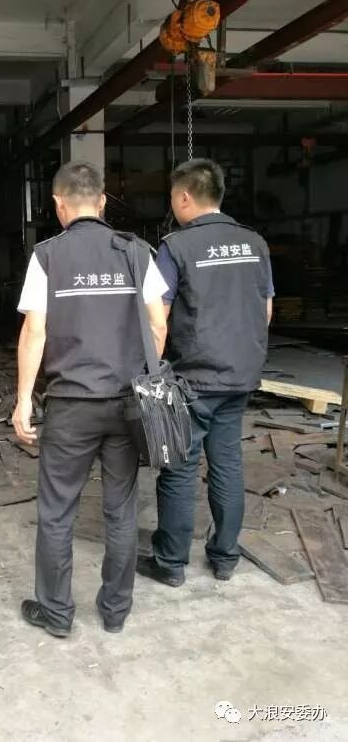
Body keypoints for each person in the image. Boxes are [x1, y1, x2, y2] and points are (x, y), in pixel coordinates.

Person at [12, 160, 168, 638]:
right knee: (121, 509)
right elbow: (159, 324)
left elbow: (34, 332)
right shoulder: (137, 251)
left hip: (70, 406)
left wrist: (22, 400)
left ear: (58, 205)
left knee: (57, 511)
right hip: (126, 404)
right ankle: (115, 610)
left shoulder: (47, 256)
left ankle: (57, 613)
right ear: (102, 203)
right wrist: (140, 375)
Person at [137, 158, 274, 587]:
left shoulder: (176, 247)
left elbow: (157, 319)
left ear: (183, 197)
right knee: (227, 462)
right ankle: (225, 557)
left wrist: (150, 371)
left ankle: (171, 563)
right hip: (241, 373)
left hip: (193, 378)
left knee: (179, 467)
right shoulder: (255, 242)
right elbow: (266, 310)